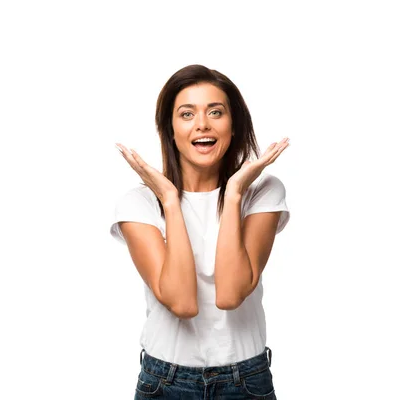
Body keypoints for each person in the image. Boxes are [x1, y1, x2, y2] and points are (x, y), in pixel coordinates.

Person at [110, 64, 290, 400]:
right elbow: (181, 302)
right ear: (170, 128)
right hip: (165, 381)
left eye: (216, 112)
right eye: (187, 114)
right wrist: (170, 200)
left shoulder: (261, 192)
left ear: (234, 125)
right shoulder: (139, 203)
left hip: (246, 380)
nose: (202, 124)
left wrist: (234, 193)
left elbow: (230, 295)